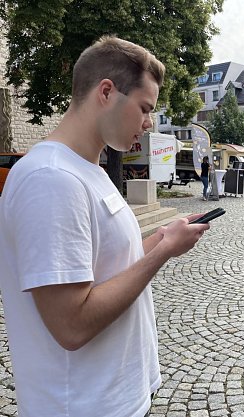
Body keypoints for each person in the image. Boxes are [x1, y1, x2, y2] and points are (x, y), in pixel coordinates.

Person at [0, 36, 211, 417]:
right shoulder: (51, 179)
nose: (148, 124)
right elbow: (72, 325)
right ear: (107, 92)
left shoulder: (88, 170)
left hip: (117, 400)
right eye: (145, 108)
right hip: (82, 406)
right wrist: (163, 252)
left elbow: (106, 268)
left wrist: (162, 238)